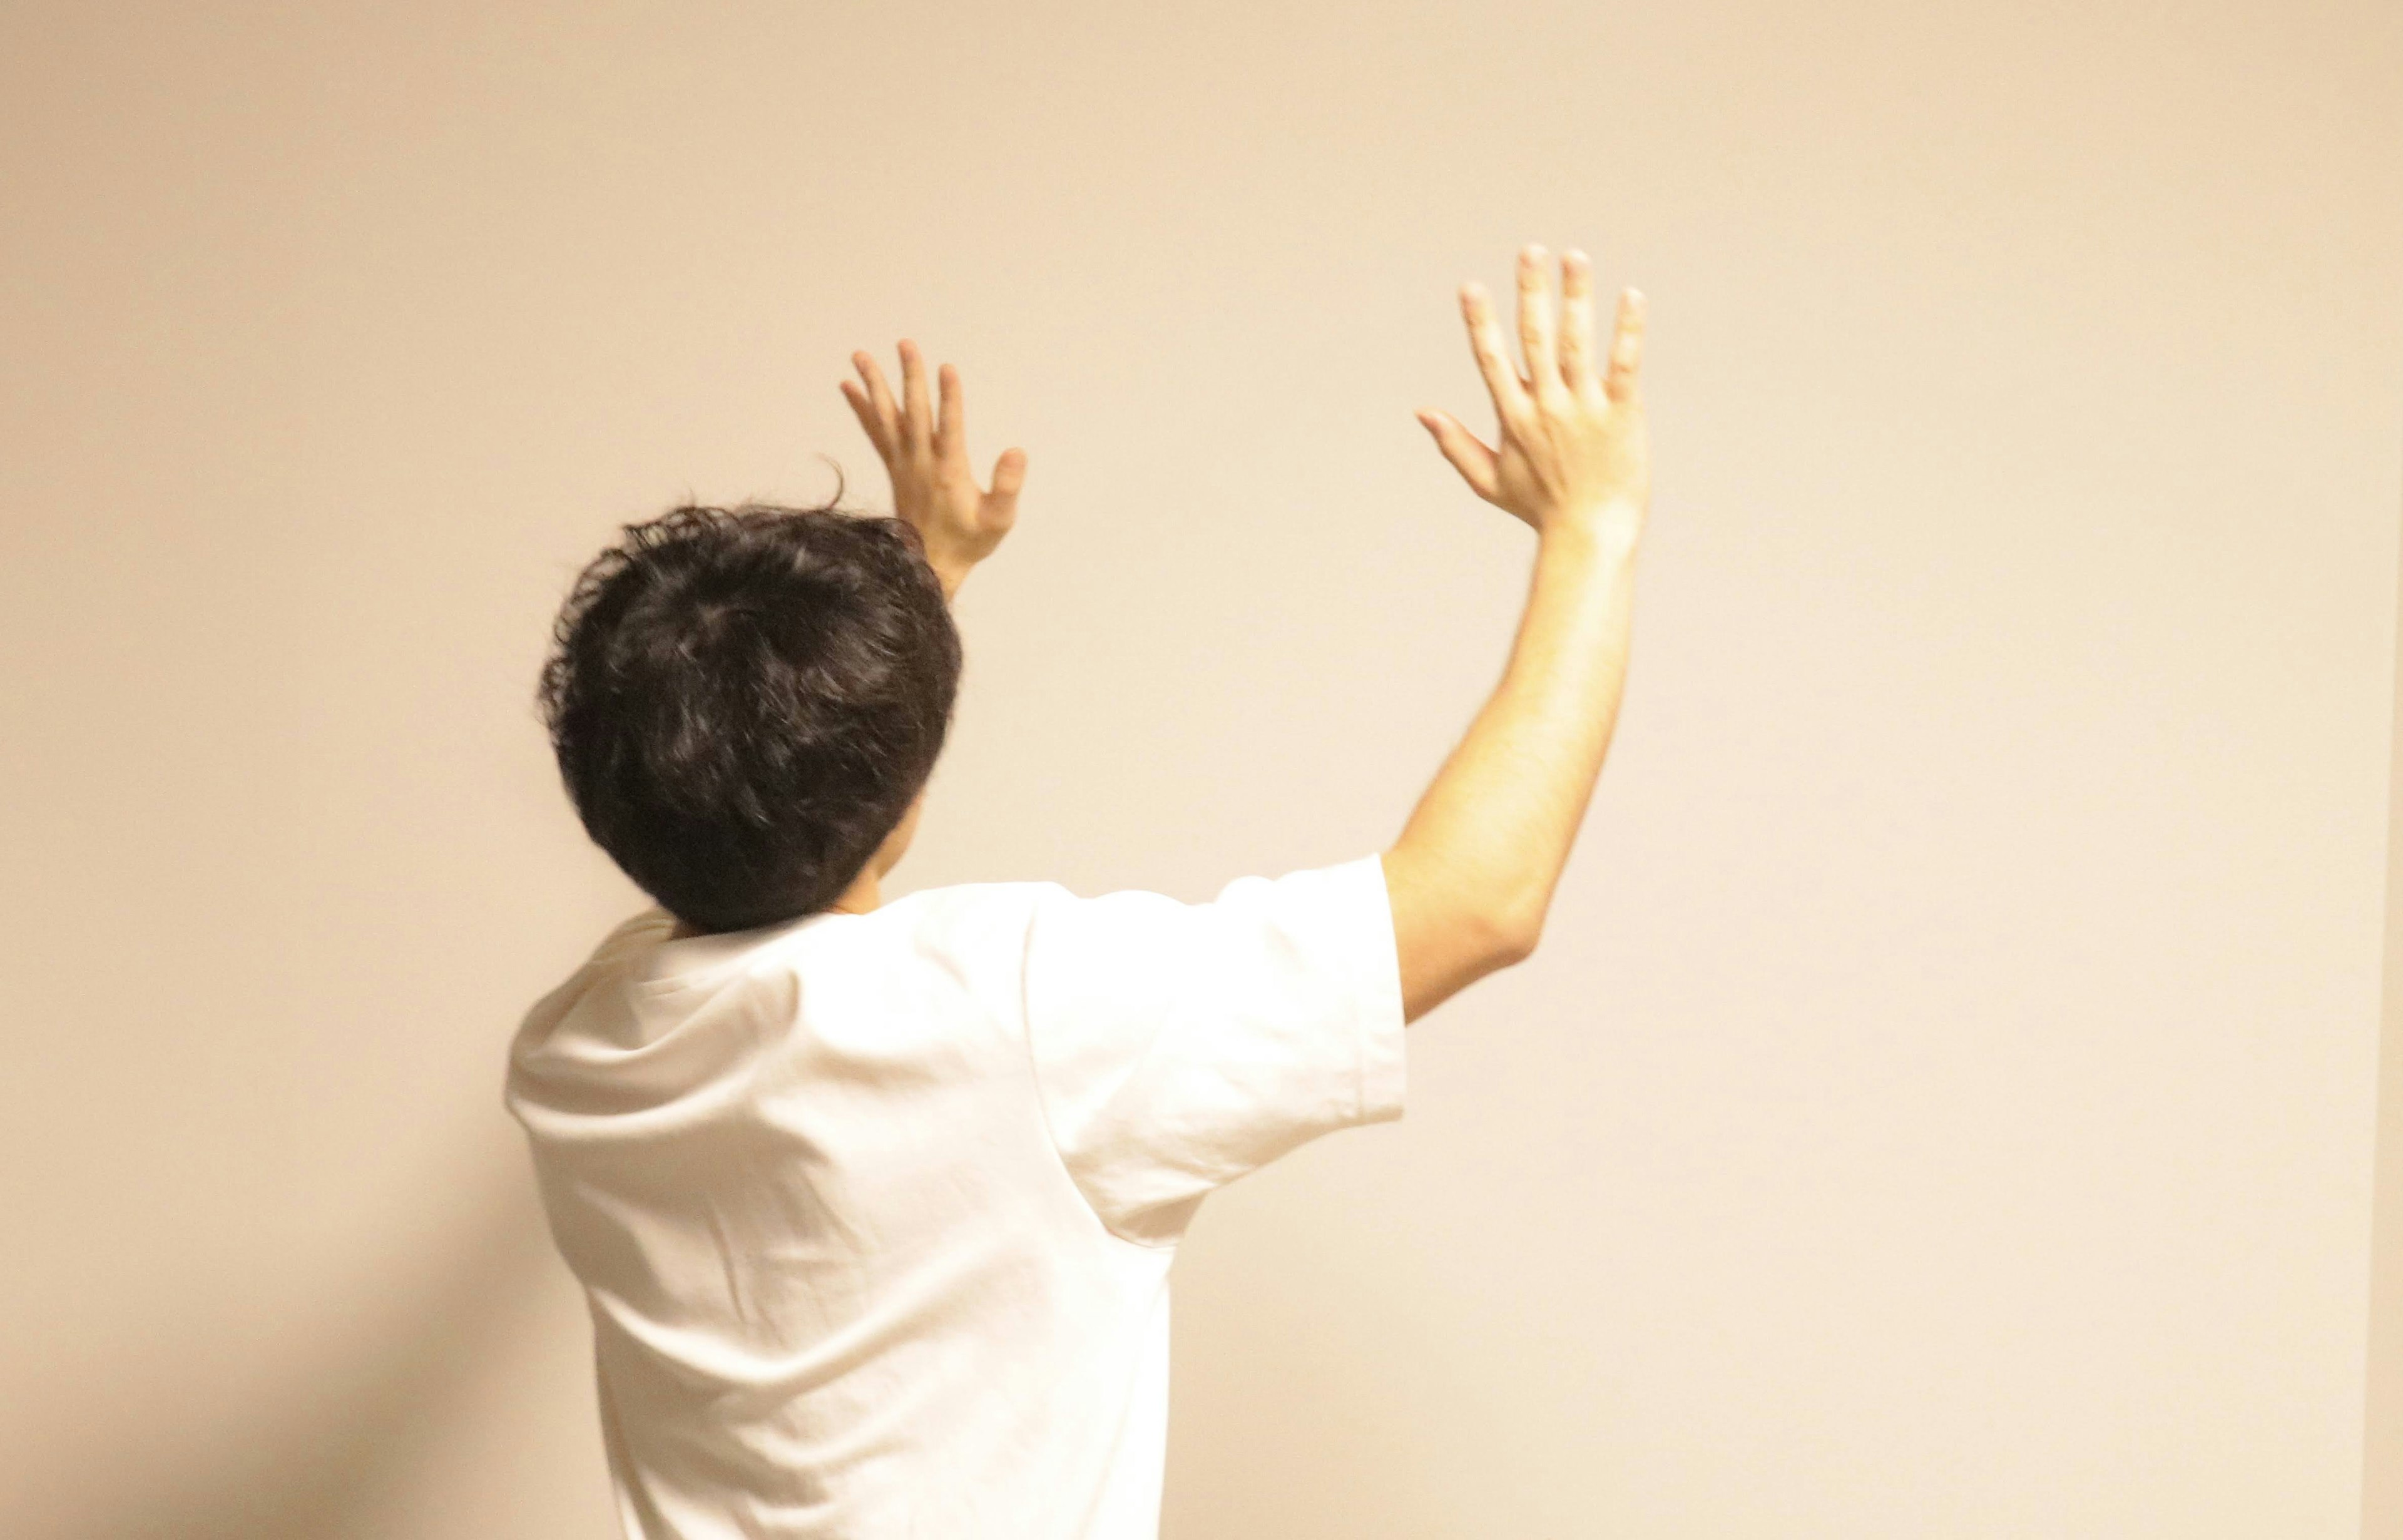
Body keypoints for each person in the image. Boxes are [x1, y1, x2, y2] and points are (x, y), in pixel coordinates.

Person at [504, 243, 1649, 1539]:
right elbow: (1478, 899)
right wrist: (1592, 528)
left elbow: (805, 832)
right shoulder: (1024, 1022)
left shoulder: (579, 1053)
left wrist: (923, 579)